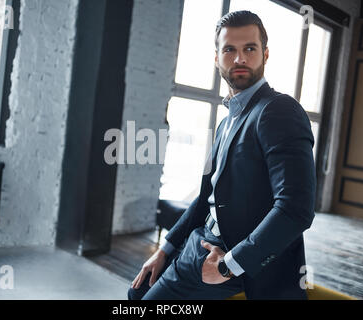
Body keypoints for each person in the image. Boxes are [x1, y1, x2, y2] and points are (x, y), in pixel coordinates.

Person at [128, 10, 316, 300]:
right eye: (229, 49)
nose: (240, 59)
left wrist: (229, 266)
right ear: (217, 58)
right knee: (136, 293)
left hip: (233, 258)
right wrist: (165, 249)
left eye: (249, 49)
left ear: (265, 54)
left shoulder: (279, 111)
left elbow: (296, 208)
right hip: (199, 241)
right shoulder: (227, 122)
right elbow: (205, 198)